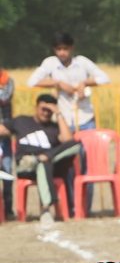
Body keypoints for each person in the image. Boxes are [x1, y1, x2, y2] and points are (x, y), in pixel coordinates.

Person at [27, 31, 110, 213]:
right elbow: (31, 82)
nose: (62, 52)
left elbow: (105, 78)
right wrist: (57, 83)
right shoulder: (50, 63)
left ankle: (85, 208)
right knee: (67, 166)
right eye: (58, 49)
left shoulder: (82, 62)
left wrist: (84, 83)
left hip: (86, 120)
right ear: (54, 49)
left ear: (72, 48)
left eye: (65, 49)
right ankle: (72, 207)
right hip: (64, 123)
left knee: (87, 165)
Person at [0, 94, 81, 225]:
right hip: (25, 166)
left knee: (73, 145)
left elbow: (68, 141)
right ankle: (46, 210)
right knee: (43, 164)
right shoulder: (21, 121)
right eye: (43, 108)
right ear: (36, 108)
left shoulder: (55, 128)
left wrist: (58, 113)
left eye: (50, 110)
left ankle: (39, 159)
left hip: (49, 165)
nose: (46, 113)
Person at [0, 67, 13, 220]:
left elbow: (5, 97)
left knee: (7, 171)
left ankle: (8, 210)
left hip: (4, 135)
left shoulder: (8, 81)